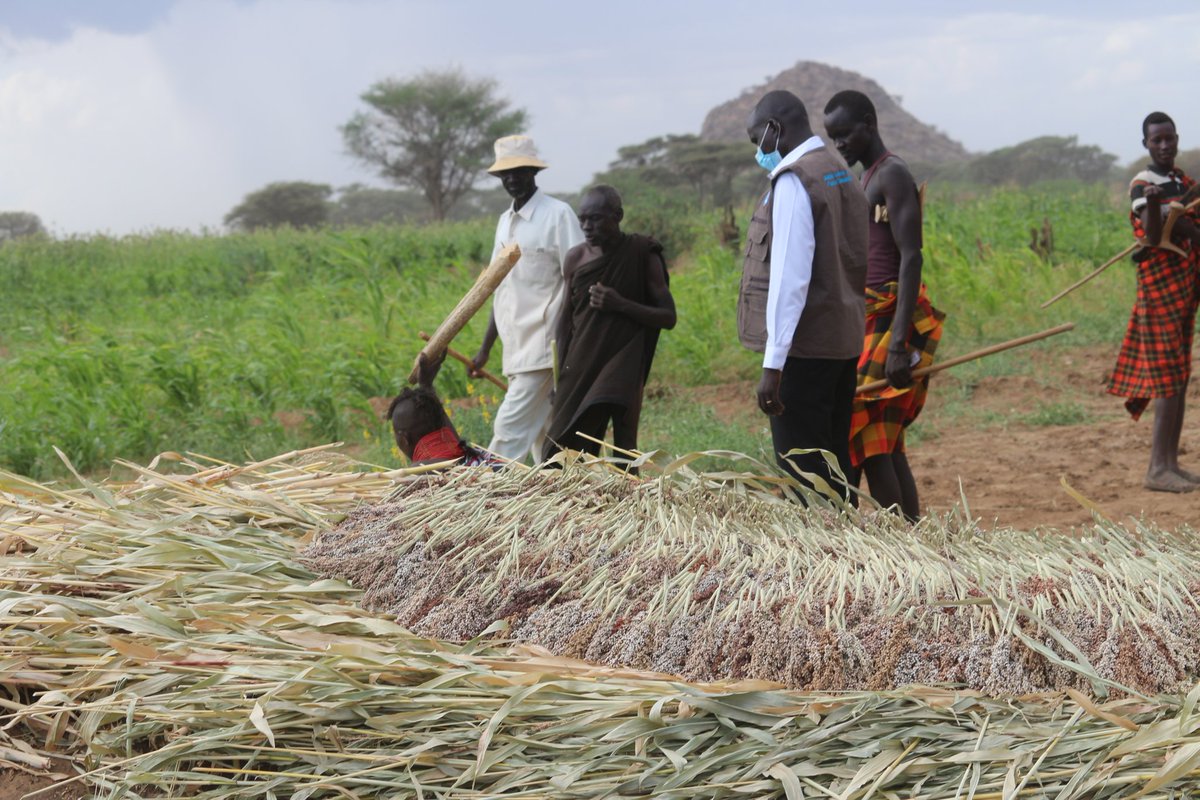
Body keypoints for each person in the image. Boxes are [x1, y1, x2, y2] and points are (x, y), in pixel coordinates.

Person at [738, 90, 869, 502]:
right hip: (842, 343)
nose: (759, 151)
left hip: (805, 352)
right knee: (834, 466)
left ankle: (824, 558)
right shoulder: (838, 170)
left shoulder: (796, 179)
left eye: (758, 139)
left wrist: (772, 366)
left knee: (806, 477)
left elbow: (790, 278)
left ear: (775, 130)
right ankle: (849, 555)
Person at [823, 90, 946, 520]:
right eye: (832, 138)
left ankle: (902, 541)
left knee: (868, 427)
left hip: (892, 317)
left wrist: (898, 343)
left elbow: (911, 256)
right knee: (884, 441)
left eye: (845, 134)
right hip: (868, 317)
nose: (839, 145)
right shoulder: (864, 178)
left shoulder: (892, 174)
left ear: (870, 124)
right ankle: (910, 535)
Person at [470, 135, 585, 463]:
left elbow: (578, 281)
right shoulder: (505, 223)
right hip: (515, 347)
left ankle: (486, 497)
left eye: (518, 172)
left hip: (545, 344)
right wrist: (485, 349)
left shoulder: (558, 215)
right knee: (543, 437)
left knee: (509, 431)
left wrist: (570, 345)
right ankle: (557, 500)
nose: (511, 180)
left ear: (533, 172)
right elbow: (498, 287)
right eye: (505, 175)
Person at [542, 185, 676, 462]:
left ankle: (630, 502)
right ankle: (574, 502)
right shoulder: (576, 258)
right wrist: (560, 374)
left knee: (624, 449)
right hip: (580, 361)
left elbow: (668, 316)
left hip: (623, 362)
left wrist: (621, 304)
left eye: (595, 218)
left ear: (618, 216)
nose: (586, 226)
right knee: (559, 448)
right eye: (582, 219)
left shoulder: (642, 253)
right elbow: (565, 320)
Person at [1107, 111, 1200, 493]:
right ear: (1146, 144)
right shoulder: (1143, 185)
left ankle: (1171, 464)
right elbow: (1152, 236)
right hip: (1160, 290)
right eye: (1156, 140)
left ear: (1176, 139)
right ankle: (1157, 469)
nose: (1164, 145)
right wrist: (1157, 206)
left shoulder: (1182, 181)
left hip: (1185, 290)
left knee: (1178, 376)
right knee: (1166, 378)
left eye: (1169, 138)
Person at [388, 352, 496, 467]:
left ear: (405, 440)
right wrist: (426, 385)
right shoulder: (475, 458)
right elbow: (450, 436)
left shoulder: (419, 472)